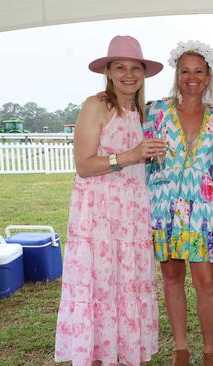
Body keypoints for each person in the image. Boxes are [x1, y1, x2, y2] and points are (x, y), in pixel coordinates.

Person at [55, 35, 164, 365]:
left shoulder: (140, 111)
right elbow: (85, 165)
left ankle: (124, 353)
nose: (128, 74)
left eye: (135, 68)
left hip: (132, 215)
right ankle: (98, 356)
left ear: (144, 73)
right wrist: (130, 155)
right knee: (101, 285)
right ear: (109, 71)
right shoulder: (96, 105)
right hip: (99, 215)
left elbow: (138, 163)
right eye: (121, 67)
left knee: (126, 284)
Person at [145, 40, 213, 366]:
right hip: (165, 207)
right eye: (185, 71)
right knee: (171, 277)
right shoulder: (156, 111)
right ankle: (181, 348)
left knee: (205, 280)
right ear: (177, 74)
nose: (191, 77)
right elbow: (143, 158)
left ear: (209, 76)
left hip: (203, 209)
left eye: (198, 71)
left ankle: (210, 348)